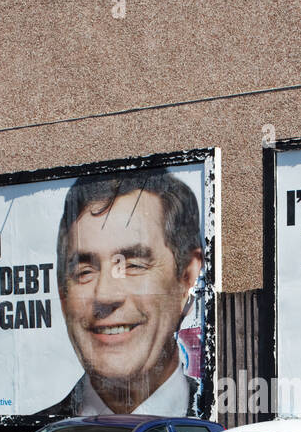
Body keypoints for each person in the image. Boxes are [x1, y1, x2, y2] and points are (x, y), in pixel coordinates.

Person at [39, 168, 203, 417]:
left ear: (187, 278)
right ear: (62, 293)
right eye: (85, 271)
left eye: (134, 265)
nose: (105, 295)